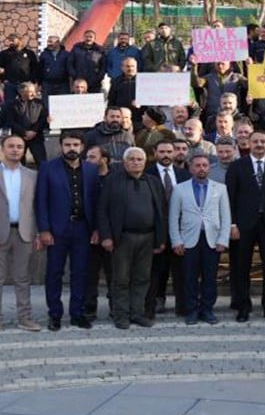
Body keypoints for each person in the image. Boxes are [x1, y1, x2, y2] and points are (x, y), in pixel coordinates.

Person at [35, 131, 102, 330]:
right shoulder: (48, 168)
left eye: (75, 145)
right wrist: (44, 230)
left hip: (83, 228)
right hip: (56, 230)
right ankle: (54, 314)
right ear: (61, 146)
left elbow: (97, 201)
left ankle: (77, 313)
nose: (71, 148)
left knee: (80, 272)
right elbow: (41, 201)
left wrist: (97, 228)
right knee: (54, 273)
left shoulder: (91, 169)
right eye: (67, 145)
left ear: (82, 147)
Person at [98, 147, 167, 329]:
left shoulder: (153, 182)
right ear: (124, 161)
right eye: (132, 159)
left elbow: (162, 211)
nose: (136, 162)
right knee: (120, 279)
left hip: (148, 237)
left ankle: (137, 313)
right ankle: (121, 315)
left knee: (142, 278)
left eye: (139, 159)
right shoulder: (112, 181)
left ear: (145, 162)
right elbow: (102, 210)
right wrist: (106, 236)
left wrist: (160, 239)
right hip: (122, 237)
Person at [225, 129, 265, 322]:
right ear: (249, 143)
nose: (259, 145)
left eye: (263, 141)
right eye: (256, 142)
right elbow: (230, 197)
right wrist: (232, 224)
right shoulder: (237, 166)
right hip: (243, 225)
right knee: (241, 267)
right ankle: (243, 307)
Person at [0, 135, 41, 334]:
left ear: (24, 150)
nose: (15, 150)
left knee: (23, 278)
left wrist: (38, 233)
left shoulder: (33, 176)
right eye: (11, 146)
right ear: (2, 149)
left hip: (24, 233)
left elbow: (37, 207)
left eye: (19, 147)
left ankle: (25, 317)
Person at [169, 152, 232, 324]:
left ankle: (207, 309)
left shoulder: (220, 189)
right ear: (190, 168)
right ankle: (191, 310)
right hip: (189, 239)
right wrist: (176, 240)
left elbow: (225, 216)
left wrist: (223, 239)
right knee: (189, 277)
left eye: (204, 165)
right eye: (197, 165)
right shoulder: (179, 189)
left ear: (209, 168)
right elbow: (174, 217)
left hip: (212, 239)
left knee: (210, 277)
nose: (201, 168)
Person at [148, 140, 191, 318]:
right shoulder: (147, 173)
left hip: (180, 229)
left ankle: (182, 305)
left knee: (180, 269)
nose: (166, 155)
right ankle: (155, 302)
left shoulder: (183, 174)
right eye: (162, 151)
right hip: (155, 228)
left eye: (169, 151)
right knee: (156, 270)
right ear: (155, 152)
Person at [83, 145, 114, 320]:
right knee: (90, 274)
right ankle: (89, 308)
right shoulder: (85, 179)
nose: (88, 161)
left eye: (92, 157)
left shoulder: (115, 179)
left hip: (111, 235)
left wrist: (104, 231)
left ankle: (115, 307)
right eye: (87, 157)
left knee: (114, 274)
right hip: (89, 235)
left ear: (104, 159)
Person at [2, 81, 49, 170]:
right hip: (19, 137)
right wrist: (24, 132)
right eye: (30, 92)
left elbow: (43, 119)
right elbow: (10, 121)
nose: (33, 94)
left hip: (36, 137)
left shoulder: (40, 103)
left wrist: (34, 131)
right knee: (19, 163)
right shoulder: (12, 105)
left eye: (33, 91)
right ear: (22, 93)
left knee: (42, 162)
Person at [0, 33, 40, 100]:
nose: (10, 42)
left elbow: (35, 67)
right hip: (10, 84)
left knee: (26, 103)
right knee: (9, 105)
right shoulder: (4, 54)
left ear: (20, 40)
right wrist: (3, 79)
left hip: (26, 84)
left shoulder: (29, 53)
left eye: (12, 40)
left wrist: (32, 81)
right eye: (9, 40)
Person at [68, 29, 107, 93]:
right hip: (79, 83)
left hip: (94, 82)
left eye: (91, 37)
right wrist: (74, 75)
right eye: (86, 36)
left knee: (93, 101)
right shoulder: (76, 48)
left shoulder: (100, 50)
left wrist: (99, 77)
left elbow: (104, 66)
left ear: (94, 39)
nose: (88, 38)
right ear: (83, 37)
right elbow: (69, 63)